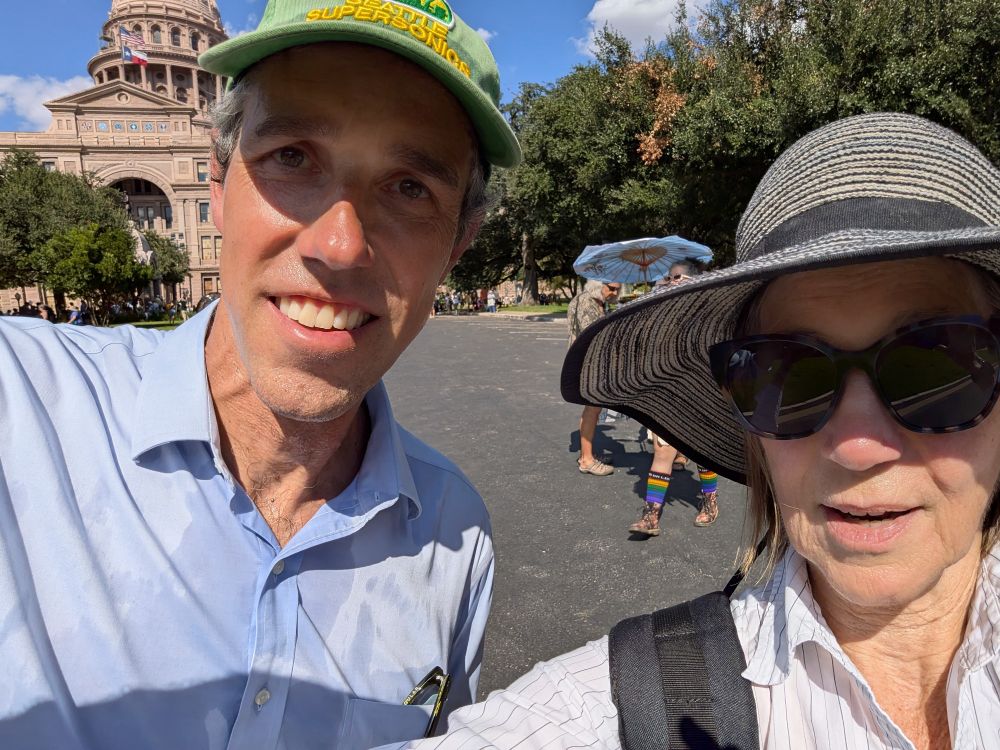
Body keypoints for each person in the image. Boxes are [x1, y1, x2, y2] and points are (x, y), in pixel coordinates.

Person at [383, 113, 1000, 749]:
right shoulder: (622, 704)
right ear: (743, 410)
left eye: (936, 368)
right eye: (785, 377)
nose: (858, 447)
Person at [0, 2, 522, 748]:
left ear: (458, 245)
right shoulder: (21, 407)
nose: (339, 246)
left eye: (410, 187)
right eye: (293, 157)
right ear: (216, 184)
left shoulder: (455, 533)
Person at [629, 261, 720, 535]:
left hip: (700, 392)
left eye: (678, 277)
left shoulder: (709, 312)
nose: (672, 281)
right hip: (667, 393)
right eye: (669, 278)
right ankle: (651, 516)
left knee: (703, 455)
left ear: (695, 280)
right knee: (662, 451)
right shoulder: (662, 311)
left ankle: (710, 502)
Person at [568, 279, 621, 476]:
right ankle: (587, 460)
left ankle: (588, 454)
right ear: (599, 285)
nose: (614, 293)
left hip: (592, 362)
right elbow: (591, 334)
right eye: (611, 289)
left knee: (594, 409)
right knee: (592, 408)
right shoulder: (586, 301)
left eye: (618, 289)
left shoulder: (597, 302)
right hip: (587, 363)